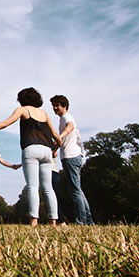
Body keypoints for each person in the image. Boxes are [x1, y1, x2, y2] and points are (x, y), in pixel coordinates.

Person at [0, 88, 62, 226]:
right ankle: (53, 221)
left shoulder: (23, 110)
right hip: (47, 151)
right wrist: (55, 149)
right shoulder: (44, 113)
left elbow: (5, 123)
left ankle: (34, 220)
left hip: (31, 148)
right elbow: (57, 137)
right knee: (48, 188)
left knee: (32, 186)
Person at [50, 95, 94, 225]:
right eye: (53, 105)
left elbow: (70, 127)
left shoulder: (66, 117)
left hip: (71, 157)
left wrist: (59, 136)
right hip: (73, 156)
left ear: (65, 106)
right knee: (77, 190)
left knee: (75, 191)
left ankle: (81, 221)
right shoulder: (63, 119)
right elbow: (63, 140)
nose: (55, 108)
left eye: (57, 105)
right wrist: (55, 149)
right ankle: (88, 220)